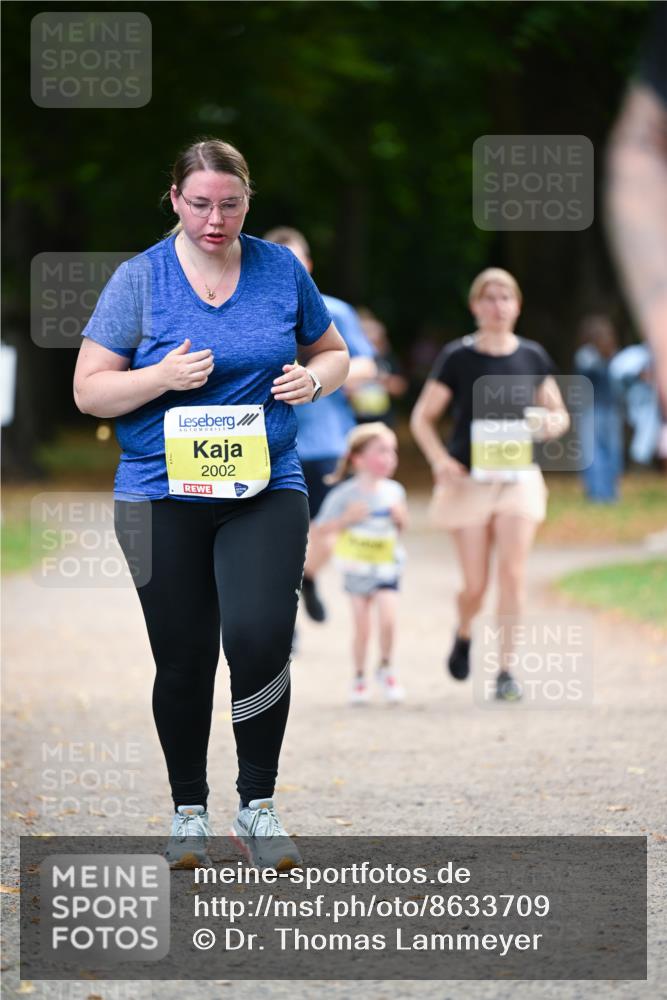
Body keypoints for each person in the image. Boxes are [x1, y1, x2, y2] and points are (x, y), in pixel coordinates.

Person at [72, 139, 350, 870]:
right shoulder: (140, 279)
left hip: (263, 486)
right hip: (158, 492)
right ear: (174, 200)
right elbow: (89, 388)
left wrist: (314, 382)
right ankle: (187, 810)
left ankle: (257, 805)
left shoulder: (279, 268)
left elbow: (334, 351)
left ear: (247, 200)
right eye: (199, 204)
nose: (215, 219)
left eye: (229, 204)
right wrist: (159, 376)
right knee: (184, 655)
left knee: (259, 638)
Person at [410, 268, 569, 701]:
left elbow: (558, 414)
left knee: (513, 576)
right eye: (489, 298)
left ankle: (506, 670)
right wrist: (440, 461)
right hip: (469, 480)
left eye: (505, 298)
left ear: (517, 306)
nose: (497, 306)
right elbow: (422, 418)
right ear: (475, 306)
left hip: (518, 479)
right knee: (476, 585)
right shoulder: (457, 358)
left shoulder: (533, 356)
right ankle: (464, 630)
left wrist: (551, 424)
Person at [263, 227, 375, 626]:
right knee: (275, 538)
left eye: (295, 261)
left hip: (328, 439)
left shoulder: (334, 311)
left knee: (328, 528)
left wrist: (321, 374)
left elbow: (365, 363)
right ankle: (284, 622)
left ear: (308, 264)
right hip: (270, 442)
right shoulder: (253, 312)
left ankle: (306, 577)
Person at [314, 423, 407, 705]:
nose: (389, 457)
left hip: (387, 567)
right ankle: (358, 677)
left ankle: (387, 668)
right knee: (363, 626)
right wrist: (346, 520)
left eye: (393, 451)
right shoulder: (344, 495)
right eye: (381, 451)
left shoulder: (395, 491)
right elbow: (321, 529)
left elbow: (402, 529)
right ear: (358, 458)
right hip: (356, 569)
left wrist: (401, 518)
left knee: (389, 619)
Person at [573, 315, 623, 502]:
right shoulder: (589, 356)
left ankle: (605, 493)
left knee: (601, 452)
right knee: (601, 452)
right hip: (596, 408)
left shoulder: (604, 356)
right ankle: (600, 493)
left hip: (599, 409)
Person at [348, 308, 408, 427]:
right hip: (354, 422)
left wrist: (382, 381)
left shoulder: (387, 359)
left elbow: (401, 387)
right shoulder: (350, 359)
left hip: (384, 421)